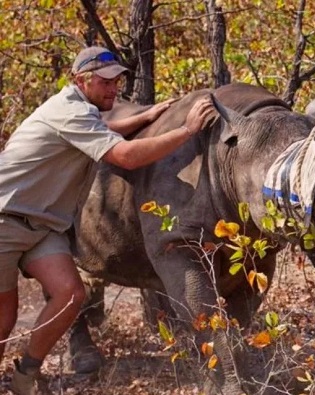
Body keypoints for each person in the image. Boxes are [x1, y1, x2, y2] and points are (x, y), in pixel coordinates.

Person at [0, 46, 215, 394]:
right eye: (105, 82)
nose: (114, 88)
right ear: (79, 80)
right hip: (5, 219)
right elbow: (126, 157)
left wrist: (145, 118)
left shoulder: (79, 110)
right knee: (3, 320)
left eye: (118, 80)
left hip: (41, 226)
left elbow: (104, 126)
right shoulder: (66, 110)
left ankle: (25, 374)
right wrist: (186, 130)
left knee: (70, 294)